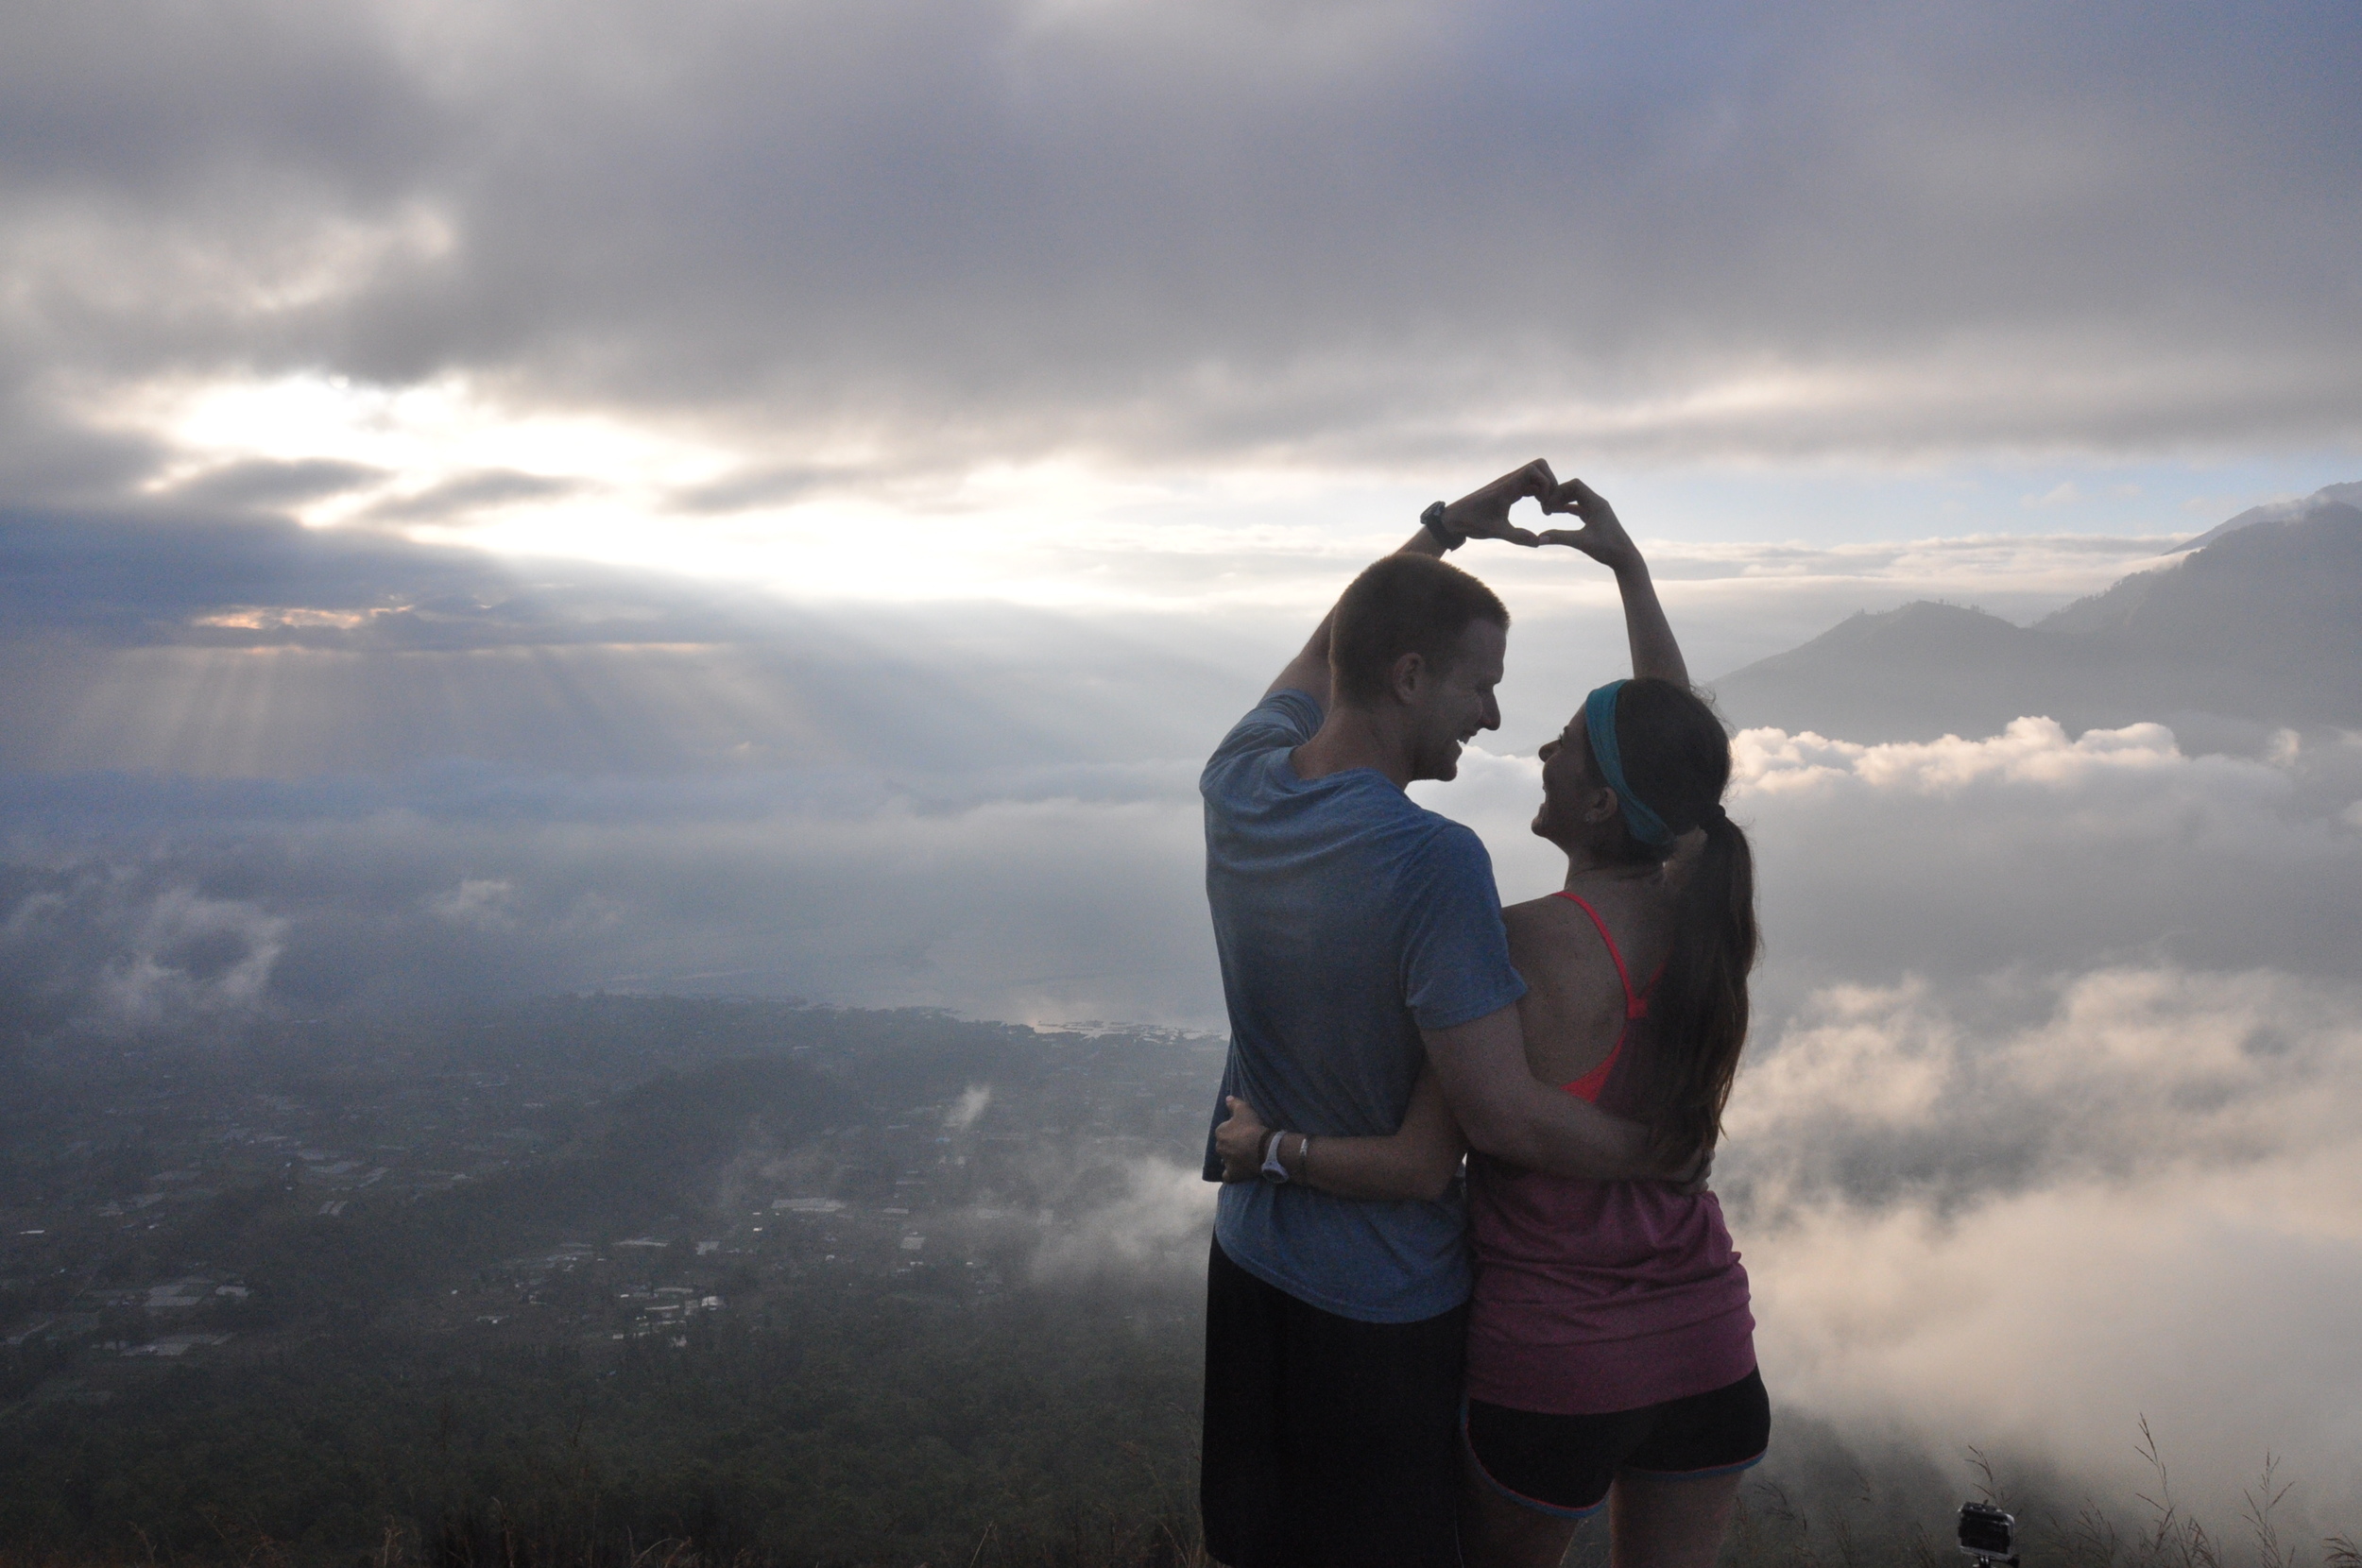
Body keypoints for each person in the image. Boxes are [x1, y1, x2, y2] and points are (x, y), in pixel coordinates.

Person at [1214, 477, 1765, 1568]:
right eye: (1487, 686)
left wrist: (1446, 528)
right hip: (1706, 1338)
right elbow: (1672, 756)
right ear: (1411, 675)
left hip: (1547, 1359)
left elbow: (1467, 1136)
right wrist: (1629, 571)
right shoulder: (1697, 912)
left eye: (1561, 738)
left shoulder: (1263, 794)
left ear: (1603, 804)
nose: (1512, 727)